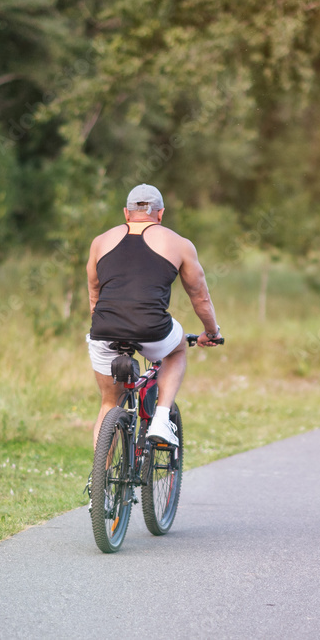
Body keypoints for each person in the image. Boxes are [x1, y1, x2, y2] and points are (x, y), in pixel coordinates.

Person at [86, 184, 221, 449]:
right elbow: (200, 297)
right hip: (152, 329)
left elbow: (94, 293)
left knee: (108, 403)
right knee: (177, 348)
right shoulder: (179, 244)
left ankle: (97, 486)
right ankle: (160, 418)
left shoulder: (100, 241)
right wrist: (212, 332)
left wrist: (109, 326)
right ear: (160, 215)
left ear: (126, 213)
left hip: (103, 329)